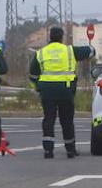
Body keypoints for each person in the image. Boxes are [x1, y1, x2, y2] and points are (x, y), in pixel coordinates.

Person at [30, 26, 78, 159]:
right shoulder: (69, 51)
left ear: (50, 37)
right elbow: (89, 51)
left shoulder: (41, 53)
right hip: (66, 90)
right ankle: (70, 150)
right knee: (67, 120)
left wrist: (37, 87)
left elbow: (33, 74)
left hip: (47, 91)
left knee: (49, 119)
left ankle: (48, 151)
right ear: (62, 37)